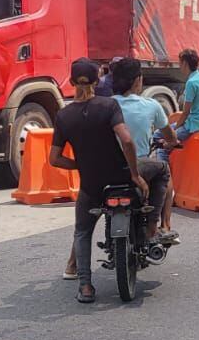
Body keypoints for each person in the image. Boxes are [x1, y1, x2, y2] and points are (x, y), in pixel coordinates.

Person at [50, 57, 148, 304]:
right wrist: (136, 175)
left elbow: (55, 159)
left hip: (92, 186)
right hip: (121, 177)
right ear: (97, 80)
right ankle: (153, 231)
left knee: (82, 231)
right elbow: (126, 141)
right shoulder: (109, 106)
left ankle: (84, 285)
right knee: (161, 172)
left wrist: (80, 164)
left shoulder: (63, 116)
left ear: (71, 81)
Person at [111, 57, 179, 244]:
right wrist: (172, 142)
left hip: (107, 168)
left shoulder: (104, 105)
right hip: (139, 166)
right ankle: (153, 227)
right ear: (137, 80)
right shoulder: (151, 105)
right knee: (163, 170)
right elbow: (170, 136)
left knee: (85, 222)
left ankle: (74, 262)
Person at [169, 48, 199, 145]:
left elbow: (185, 113)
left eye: (179, 63)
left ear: (184, 63)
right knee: (163, 132)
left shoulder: (191, 82)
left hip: (191, 127)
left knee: (161, 140)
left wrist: (174, 130)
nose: (179, 66)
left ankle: (162, 159)